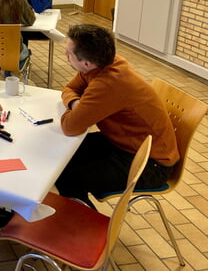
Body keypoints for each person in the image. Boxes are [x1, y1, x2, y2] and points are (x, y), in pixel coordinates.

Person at [55, 24, 180, 208]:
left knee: (68, 174)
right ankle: (74, 215)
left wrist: (77, 109)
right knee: (62, 153)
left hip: (150, 164)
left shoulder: (108, 83)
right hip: (126, 144)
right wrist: (75, 103)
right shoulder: (104, 63)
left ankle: (87, 222)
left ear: (86, 63)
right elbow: (70, 88)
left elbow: (70, 126)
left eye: (69, 53)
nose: (65, 55)